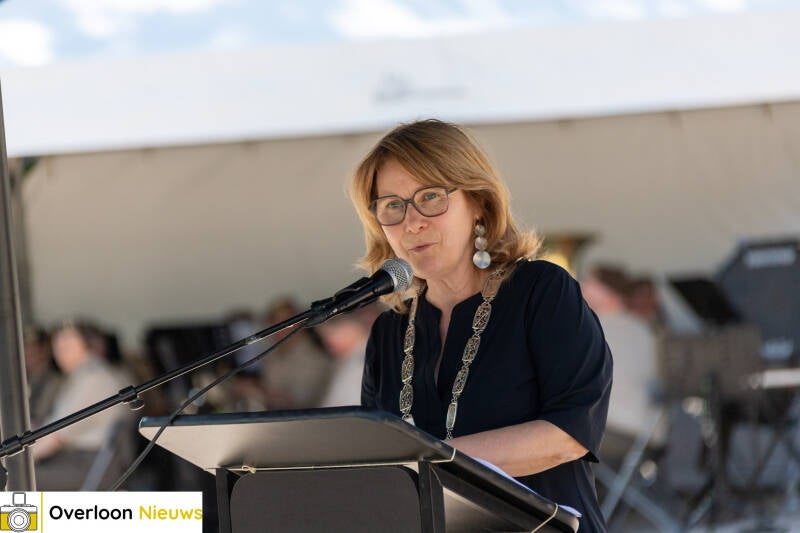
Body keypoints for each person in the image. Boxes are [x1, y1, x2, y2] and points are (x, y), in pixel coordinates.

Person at [349, 119, 613, 532]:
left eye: (431, 197)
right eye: (392, 206)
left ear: (478, 203)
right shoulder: (389, 333)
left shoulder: (541, 291)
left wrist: (425, 463)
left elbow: (568, 435)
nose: (411, 222)